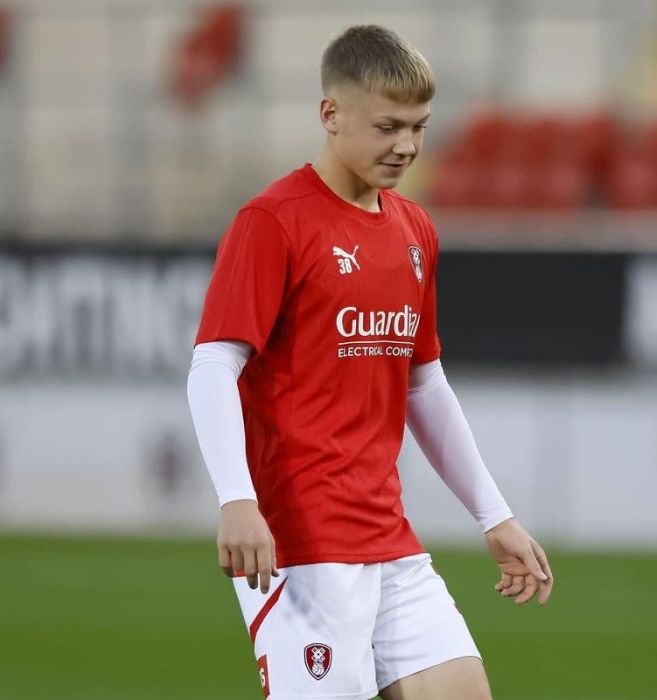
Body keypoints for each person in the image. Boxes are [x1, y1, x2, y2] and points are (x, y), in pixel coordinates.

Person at [187, 24, 553, 700]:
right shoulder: (273, 221)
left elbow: (424, 384)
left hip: (388, 536)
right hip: (301, 545)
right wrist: (236, 499)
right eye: (388, 127)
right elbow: (213, 364)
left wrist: (494, 515)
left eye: (419, 127)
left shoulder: (415, 229)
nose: (407, 145)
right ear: (331, 114)